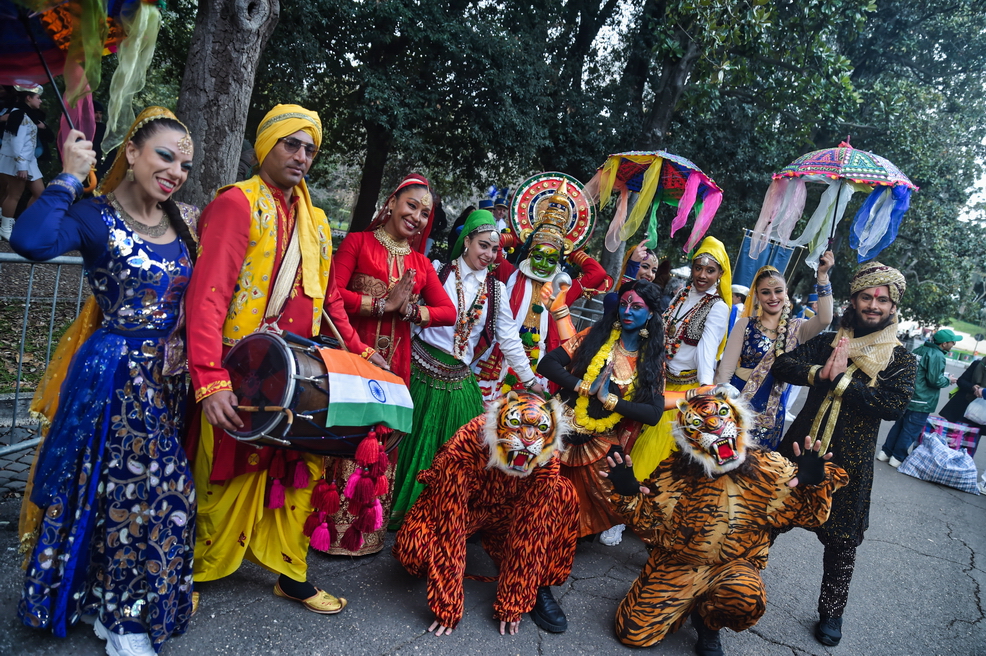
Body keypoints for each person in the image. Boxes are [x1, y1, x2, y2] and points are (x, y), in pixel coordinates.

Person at [185, 104, 385, 615]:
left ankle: (291, 574)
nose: (301, 156)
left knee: (297, 472)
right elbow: (208, 297)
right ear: (265, 147)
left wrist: (361, 351)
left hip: (299, 374)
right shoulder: (237, 203)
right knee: (224, 474)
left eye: (309, 149)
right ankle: (194, 571)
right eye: (290, 144)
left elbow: (330, 298)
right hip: (241, 372)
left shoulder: (315, 219)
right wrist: (210, 378)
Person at [13, 107, 198, 655]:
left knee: (123, 488)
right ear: (132, 152)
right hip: (115, 377)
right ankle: (124, 620)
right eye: (165, 156)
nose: (176, 172)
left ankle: (98, 599)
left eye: (185, 165)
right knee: (154, 492)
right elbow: (32, 241)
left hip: (169, 380)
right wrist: (69, 176)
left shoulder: (185, 220)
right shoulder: (95, 216)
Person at [599, 387, 847, 656]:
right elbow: (647, 520)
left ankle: (708, 622)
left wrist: (814, 484)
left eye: (722, 413)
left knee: (745, 598)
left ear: (739, 419)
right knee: (632, 633)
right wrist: (628, 494)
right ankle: (680, 600)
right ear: (687, 438)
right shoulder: (674, 471)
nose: (713, 424)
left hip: (734, 565)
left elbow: (810, 517)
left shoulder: (768, 466)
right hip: (680, 563)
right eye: (698, 422)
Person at [771, 261, 917, 647]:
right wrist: (819, 373)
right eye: (866, 297)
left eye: (882, 300)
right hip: (799, 450)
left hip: (848, 465)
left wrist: (841, 381)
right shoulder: (831, 341)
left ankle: (831, 612)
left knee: (841, 543)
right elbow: (783, 365)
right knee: (767, 517)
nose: (873, 305)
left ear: (893, 306)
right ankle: (736, 580)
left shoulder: (900, 359)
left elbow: (893, 406)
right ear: (853, 300)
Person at [388, 210, 541, 529]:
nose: (489, 254)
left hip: (458, 379)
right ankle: (391, 508)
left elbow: (509, 339)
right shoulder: (437, 271)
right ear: (467, 241)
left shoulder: (496, 290)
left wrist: (530, 380)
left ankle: (430, 521)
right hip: (418, 371)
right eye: (483, 245)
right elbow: (406, 314)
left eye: (494, 249)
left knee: (454, 456)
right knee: (404, 444)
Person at [331, 172, 457, 554]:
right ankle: (330, 531)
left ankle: (365, 536)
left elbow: (448, 311)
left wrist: (412, 311)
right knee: (347, 433)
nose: (417, 217)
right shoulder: (358, 243)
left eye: (424, 213)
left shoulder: (420, 263)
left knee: (382, 440)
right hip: (353, 357)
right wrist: (380, 305)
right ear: (391, 203)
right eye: (411, 206)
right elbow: (331, 294)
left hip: (394, 367)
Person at [393, 392, 578, 636]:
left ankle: (539, 585)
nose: (528, 439)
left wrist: (513, 602)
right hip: (466, 508)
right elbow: (449, 523)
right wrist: (447, 604)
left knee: (563, 492)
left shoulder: (547, 454)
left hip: (509, 511)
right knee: (414, 550)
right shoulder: (469, 440)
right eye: (516, 425)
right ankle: (466, 550)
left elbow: (530, 529)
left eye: (540, 430)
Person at [537, 280, 666, 545]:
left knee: (601, 503)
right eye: (624, 304)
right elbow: (547, 364)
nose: (627, 311)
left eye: (636, 307)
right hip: (561, 424)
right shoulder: (594, 337)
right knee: (534, 492)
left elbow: (653, 413)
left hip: (599, 439)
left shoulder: (651, 361)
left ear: (650, 313)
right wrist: (583, 387)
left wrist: (609, 400)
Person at [474, 181, 612, 400]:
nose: (543, 264)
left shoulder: (561, 290)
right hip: (501, 356)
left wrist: (571, 251)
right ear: (529, 254)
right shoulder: (509, 274)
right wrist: (520, 238)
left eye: (551, 260)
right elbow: (494, 246)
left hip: (539, 363)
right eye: (538, 256)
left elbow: (597, 273)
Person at [628, 236, 731, 480]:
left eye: (710, 270)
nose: (702, 275)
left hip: (683, 391)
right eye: (698, 268)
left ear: (720, 274)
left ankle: (639, 494)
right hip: (657, 379)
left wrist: (704, 389)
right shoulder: (682, 293)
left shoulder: (718, 306)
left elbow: (707, 348)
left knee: (653, 451)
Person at [715, 253, 835, 449]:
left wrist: (822, 276)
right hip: (736, 405)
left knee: (759, 464)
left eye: (778, 291)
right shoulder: (745, 325)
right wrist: (719, 404)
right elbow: (726, 370)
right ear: (757, 295)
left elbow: (825, 319)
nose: (773, 297)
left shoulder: (798, 328)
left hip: (770, 414)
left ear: (786, 292)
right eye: (766, 292)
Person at [878, 328, 958, 466]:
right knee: (911, 430)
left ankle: (885, 452)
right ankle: (897, 457)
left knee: (899, 426)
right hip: (922, 399)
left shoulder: (919, 350)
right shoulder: (937, 355)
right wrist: (948, 380)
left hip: (907, 395)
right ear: (944, 344)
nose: (954, 344)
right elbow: (934, 380)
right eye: (952, 342)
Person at [1, 84, 47, 240]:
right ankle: (5, 229)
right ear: (28, 98)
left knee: (40, 193)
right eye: (38, 98)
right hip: (17, 161)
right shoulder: (19, 114)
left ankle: (24, 225)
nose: (40, 101)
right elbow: (17, 143)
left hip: (29, 161)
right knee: (14, 194)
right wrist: (21, 166)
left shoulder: (27, 114)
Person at [938, 357, 986, 436]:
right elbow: (961, 380)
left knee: (971, 439)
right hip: (962, 407)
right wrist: (972, 387)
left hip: (980, 414)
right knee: (951, 436)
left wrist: (983, 392)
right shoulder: (977, 364)